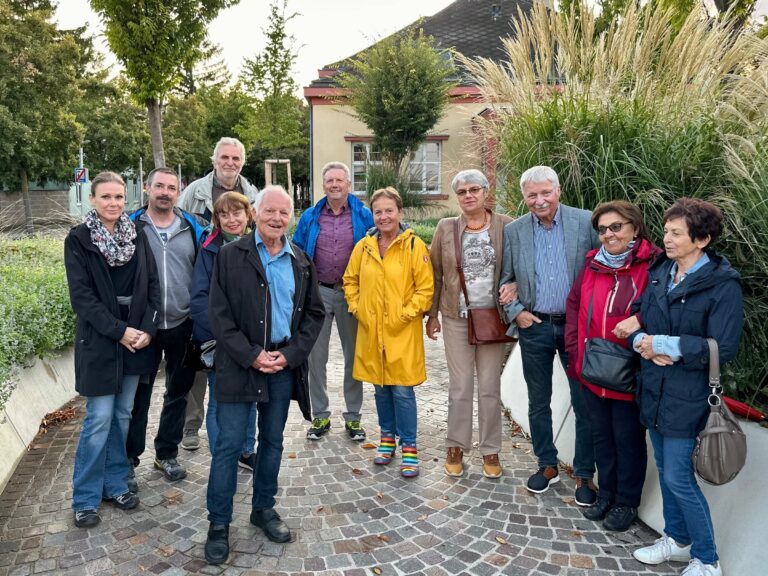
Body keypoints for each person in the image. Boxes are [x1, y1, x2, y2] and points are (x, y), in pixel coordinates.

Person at [204, 186, 324, 565]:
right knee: (228, 446)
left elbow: (314, 315)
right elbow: (218, 315)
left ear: (291, 217)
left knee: (271, 442)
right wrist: (252, 355)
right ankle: (218, 524)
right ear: (256, 213)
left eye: (283, 213)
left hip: (281, 368)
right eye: (270, 211)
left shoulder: (301, 261)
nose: (276, 218)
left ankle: (263, 508)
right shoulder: (229, 255)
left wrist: (288, 356)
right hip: (239, 366)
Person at [628, 198, 742, 576]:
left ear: (703, 239)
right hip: (654, 389)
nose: (667, 239)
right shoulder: (661, 270)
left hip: (689, 394)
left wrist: (663, 345)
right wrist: (641, 341)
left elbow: (723, 347)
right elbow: (638, 318)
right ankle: (676, 541)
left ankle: (708, 559)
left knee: (678, 476)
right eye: (666, 231)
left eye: (676, 233)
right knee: (665, 469)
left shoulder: (722, 284)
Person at [64, 171, 160, 528]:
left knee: (122, 416)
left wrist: (147, 329)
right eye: (106, 197)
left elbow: (152, 287)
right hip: (101, 340)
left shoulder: (140, 233)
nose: (113, 203)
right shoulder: (79, 239)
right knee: (99, 418)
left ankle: (115, 482)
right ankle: (85, 497)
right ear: (92, 199)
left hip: (136, 339)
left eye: (119, 197)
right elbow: (82, 299)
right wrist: (119, 332)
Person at [499, 165, 599, 505]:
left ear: (557, 191)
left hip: (576, 328)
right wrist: (517, 314)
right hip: (535, 326)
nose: (539, 200)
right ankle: (546, 464)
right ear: (524, 197)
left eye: (545, 192)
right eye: (532, 194)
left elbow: (606, 268)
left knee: (584, 401)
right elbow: (506, 280)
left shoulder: (585, 222)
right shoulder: (514, 232)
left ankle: (585, 474)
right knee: (538, 402)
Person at [564, 201, 661, 531]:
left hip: (630, 373)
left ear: (634, 226)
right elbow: (575, 308)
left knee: (628, 440)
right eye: (602, 229)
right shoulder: (592, 266)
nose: (608, 234)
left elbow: (664, 310)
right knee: (601, 437)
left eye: (616, 227)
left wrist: (639, 318)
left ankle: (626, 501)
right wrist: (576, 356)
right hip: (592, 371)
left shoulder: (652, 266)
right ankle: (606, 493)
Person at [426, 169, 513, 478]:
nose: (468, 196)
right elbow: (435, 273)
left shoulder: (507, 226)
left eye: (474, 189)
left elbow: (517, 270)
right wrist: (432, 314)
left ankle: (491, 450)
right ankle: (455, 445)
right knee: (460, 386)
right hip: (456, 317)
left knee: (490, 387)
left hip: (493, 319)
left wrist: (514, 289)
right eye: (462, 192)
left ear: (485, 191)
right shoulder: (446, 228)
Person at [343, 187, 434, 478]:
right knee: (380, 387)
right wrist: (358, 308)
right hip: (372, 331)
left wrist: (405, 314)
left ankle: (409, 445)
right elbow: (350, 281)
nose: (384, 216)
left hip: (402, 331)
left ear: (400, 213)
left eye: (389, 210)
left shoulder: (413, 246)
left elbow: (425, 289)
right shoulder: (364, 247)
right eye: (378, 211)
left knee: (402, 390)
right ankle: (386, 438)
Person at [177, 137, 259, 451]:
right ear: (215, 160)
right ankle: (191, 428)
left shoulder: (252, 193)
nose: (229, 162)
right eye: (224, 157)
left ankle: (243, 448)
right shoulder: (195, 192)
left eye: (235, 158)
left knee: (241, 391)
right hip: (201, 287)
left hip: (245, 329)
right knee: (201, 380)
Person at [126, 168, 205, 486]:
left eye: (171, 187)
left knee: (178, 392)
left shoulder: (191, 226)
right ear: (147, 188)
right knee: (139, 396)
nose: (165, 192)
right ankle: (129, 459)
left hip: (183, 323)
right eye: (159, 185)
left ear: (179, 191)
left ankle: (166, 454)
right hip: (146, 326)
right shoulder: (131, 226)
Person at [293, 161, 374, 441]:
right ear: (324, 185)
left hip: (353, 293)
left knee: (354, 357)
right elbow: (297, 252)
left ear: (348, 185)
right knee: (316, 357)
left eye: (340, 180)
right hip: (318, 292)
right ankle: (320, 416)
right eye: (330, 181)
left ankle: (353, 417)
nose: (335, 185)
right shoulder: (310, 216)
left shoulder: (364, 214)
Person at [189, 192, 258, 470]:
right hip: (221, 340)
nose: (232, 219)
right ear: (217, 219)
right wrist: (222, 335)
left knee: (252, 396)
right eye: (224, 214)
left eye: (236, 213)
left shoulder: (261, 244)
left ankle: (246, 450)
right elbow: (200, 298)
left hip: (254, 339)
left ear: (248, 214)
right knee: (221, 397)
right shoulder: (209, 248)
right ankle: (222, 455)